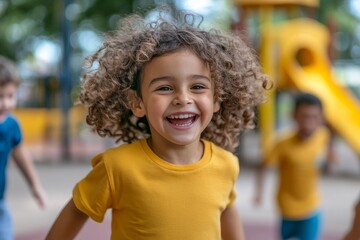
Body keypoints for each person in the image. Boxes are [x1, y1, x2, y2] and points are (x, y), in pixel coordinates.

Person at [46, 9, 270, 240]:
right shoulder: (117, 168)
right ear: (137, 102)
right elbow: (75, 211)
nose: (183, 98)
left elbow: (227, 211)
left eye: (198, 86)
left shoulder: (226, 165)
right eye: (165, 88)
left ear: (216, 99)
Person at [254, 92, 335, 240]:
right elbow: (263, 166)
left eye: (314, 117)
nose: (309, 122)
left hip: (311, 206)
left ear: (321, 119)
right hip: (286, 207)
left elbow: (327, 156)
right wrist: (259, 193)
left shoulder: (323, 135)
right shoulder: (282, 143)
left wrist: (329, 160)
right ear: (294, 115)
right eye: (304, 116)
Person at [0, 55, 47, 239]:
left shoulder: (11, 125)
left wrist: (35, 186)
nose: (5, 103)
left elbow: (20, 154)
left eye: (10, 96)